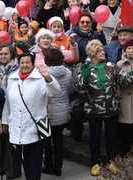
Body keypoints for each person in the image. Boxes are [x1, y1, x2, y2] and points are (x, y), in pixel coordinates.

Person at [77, 39, 133, 176]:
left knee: (111, 137)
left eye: (103, 50)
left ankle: (111, 161)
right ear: (92, 53)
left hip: (111, 108)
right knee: (95, 138)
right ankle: (95, 163)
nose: (103, 52)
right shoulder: (85, 67)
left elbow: (124, 81)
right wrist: (84, 76)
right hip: (93, 110)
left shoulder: (111, 66)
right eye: (99, 51)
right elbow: (79, 88)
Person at [1, 52, 61, 180]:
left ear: (32, 64)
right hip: (16, 127)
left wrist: (48, 77)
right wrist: (5, 121)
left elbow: (56, 91)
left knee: (34, 162)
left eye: (27, 62)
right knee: (23, 160)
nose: (24, 65)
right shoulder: (12, 78)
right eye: (22, 62)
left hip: (35, 129)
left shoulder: (41, 78)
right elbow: (8, 103)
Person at [0, 45, 20, 178]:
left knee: (12, 141)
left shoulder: (16, 69)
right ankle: (0, 166)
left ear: (11, 55)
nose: (3, 56)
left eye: (6, 54)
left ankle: (12, 170)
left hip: (11, 108)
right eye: (1, 54)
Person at [42, 48, 74, 176]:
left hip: (48, 112)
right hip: (63, 110)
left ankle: (48, 165)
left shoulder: (44, 74)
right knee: (59, 140)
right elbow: (71, 89)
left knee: (47, 141)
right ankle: (58, 167)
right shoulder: (68, 72)